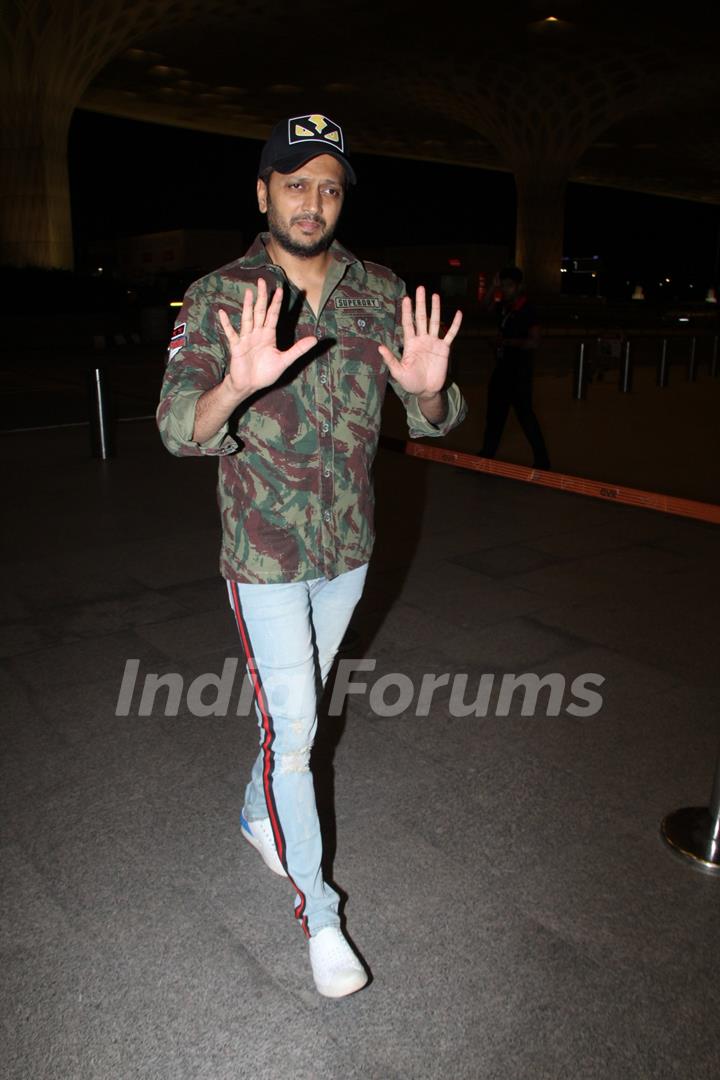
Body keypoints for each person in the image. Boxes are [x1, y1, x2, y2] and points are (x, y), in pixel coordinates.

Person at [156, 114, 467, 998]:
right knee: (297, 733)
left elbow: (433, 414)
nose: (314, 201)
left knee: (293, 712)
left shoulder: (379, 291)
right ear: (263, 194)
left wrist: (432, 392)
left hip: (353, 550)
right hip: (263, 555)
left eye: (330, 185)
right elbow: (179, 430)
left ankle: (257, 813)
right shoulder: (220, 294)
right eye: (296, 184)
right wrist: (235, 385)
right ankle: (320, 916)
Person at [478, 266, 551, 470]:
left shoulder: (528, 309)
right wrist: (493, 287)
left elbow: (534, 342)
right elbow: (484, 307)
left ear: (520, 286)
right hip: (502, 369)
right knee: (494, 414)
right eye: (504, 286)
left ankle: (542, 460)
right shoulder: (505, 306)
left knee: (525, 415)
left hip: (520, 371)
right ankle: (486, 455)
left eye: (509, 286)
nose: (506, 290)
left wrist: (506, 342)